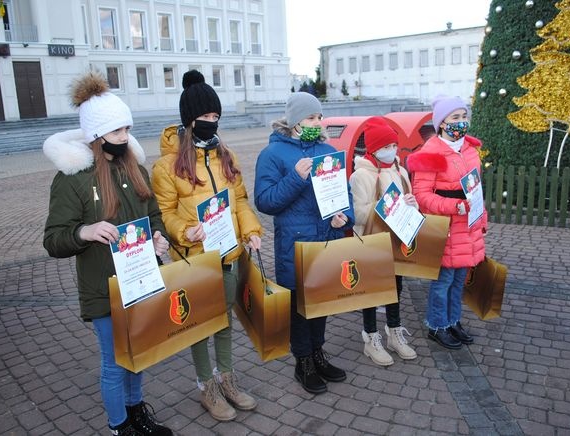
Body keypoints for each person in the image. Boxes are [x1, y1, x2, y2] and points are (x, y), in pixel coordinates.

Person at [43, 70, 173, 436]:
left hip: (141, 279)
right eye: (118, 132)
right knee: (116, 362)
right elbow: (54, 239)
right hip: (104, 288)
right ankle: (120, 425)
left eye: (127, 130)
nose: (125, 138)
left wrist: (158, 237)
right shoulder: (72, 179)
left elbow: (153, 215)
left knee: (139, 354)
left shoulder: (135, 167)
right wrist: (84, 231)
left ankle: (136, 413)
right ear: (97, 135)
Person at [151, 70, 262, 422]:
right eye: (205, 117)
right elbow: (165, 212)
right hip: (194, 260)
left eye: (216, 117)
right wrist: (186, 231)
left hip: (227, 255)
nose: (211, 123)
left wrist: (251, 230)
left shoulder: (224, 155)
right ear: (189, 120)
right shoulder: (167, 166)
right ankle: (206, 388)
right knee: (200, 325)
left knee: (225, 321)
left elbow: (240, 199)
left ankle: (226, 379)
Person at [254, 92, 354, 395]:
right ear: (295, 120)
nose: (317, 122)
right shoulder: (272, 154)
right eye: (311, 117)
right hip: (296, 244)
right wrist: (296, 178)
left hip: (327, 239)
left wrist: (344, 218)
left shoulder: (327, 150)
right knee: (299, 307)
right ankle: (304, 362)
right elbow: (265, 201)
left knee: (320, 301)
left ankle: (318, 353)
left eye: (319, 117)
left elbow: (343, 195)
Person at [407, 95, 488, 350]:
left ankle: (453, 321)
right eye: (455, 118)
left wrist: (480, 216)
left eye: (464, 117)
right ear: (442, 123)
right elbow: (422, 195)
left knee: (459, 279)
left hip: (468, 225)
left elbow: (476, 188)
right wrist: (454, 206)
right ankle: (436, 324)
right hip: (445, 227)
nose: (461, 122)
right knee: (443, 281)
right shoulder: (430, 152)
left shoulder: (470, 149)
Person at [349, 116, 418, 366]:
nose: (392, 150)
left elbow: (410, 200)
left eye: (394, 146)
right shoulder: (361, 176)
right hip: (370, 240)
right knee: (371, 290)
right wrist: (384, 207)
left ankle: (394, 332)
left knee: (395, 288)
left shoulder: (400, 169)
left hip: (396, 240)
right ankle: (371, 338)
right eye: (386, 146)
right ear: (374, 149)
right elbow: (356, 213)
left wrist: (411, 202)